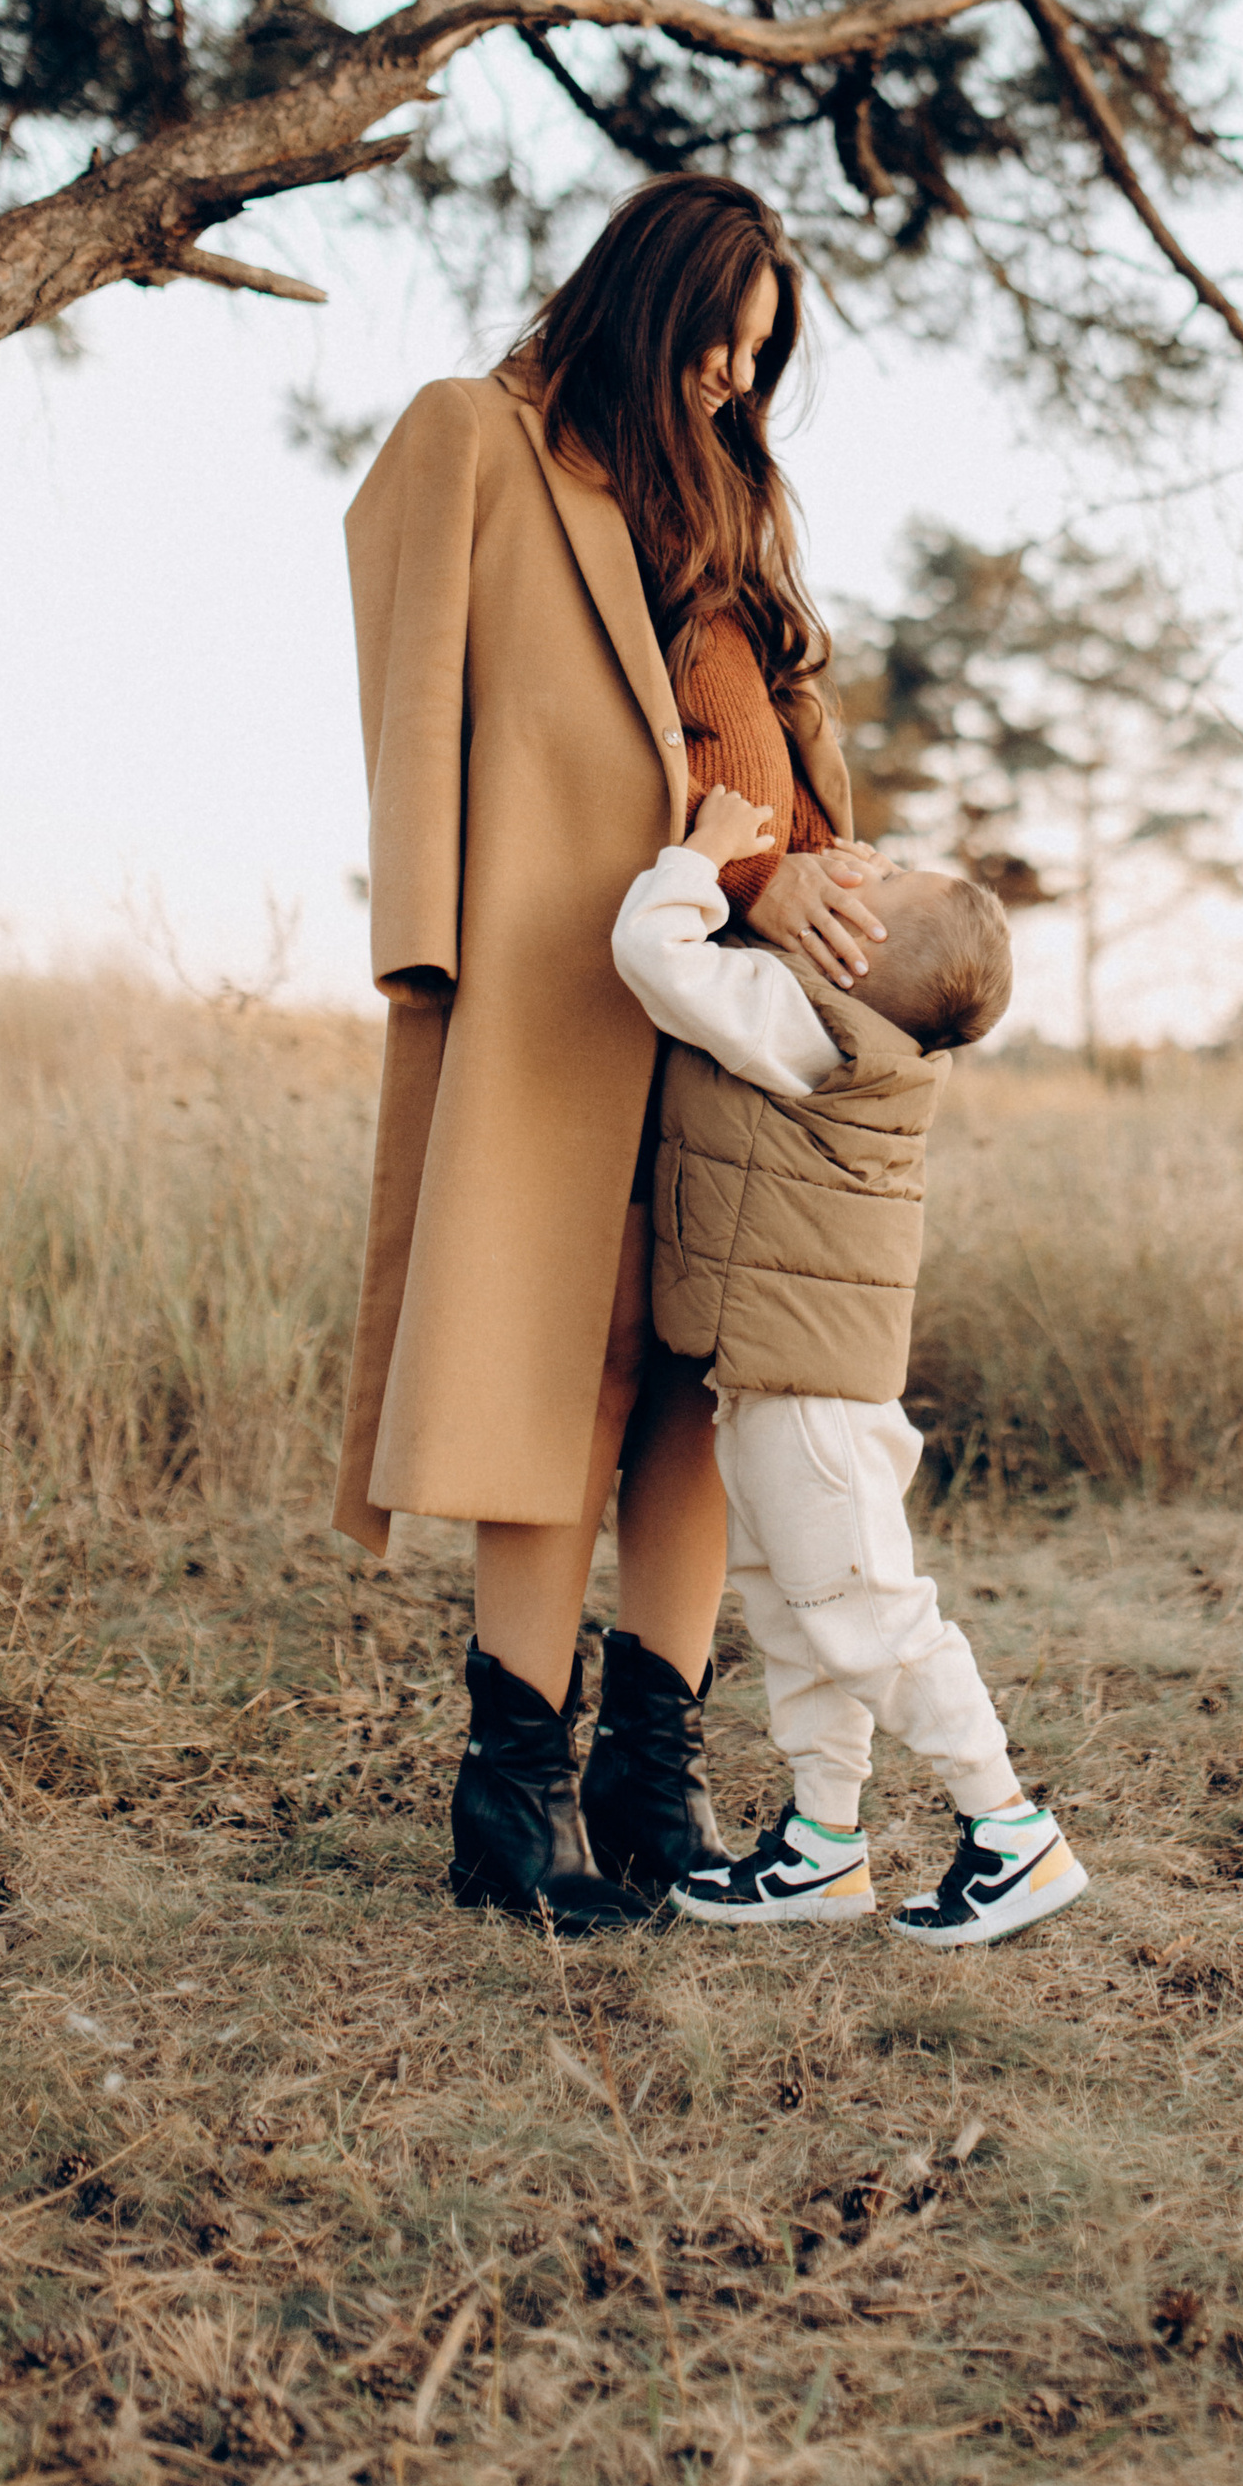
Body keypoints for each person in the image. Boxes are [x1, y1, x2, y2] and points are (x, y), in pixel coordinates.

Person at [330, 176, 889, 1928]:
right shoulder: (472, 436)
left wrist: (806, 883)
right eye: (717, 340)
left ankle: (654, 1788)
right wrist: (430, 950)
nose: (732, 380)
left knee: (698, 1381)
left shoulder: (725, 498)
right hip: (558, 983)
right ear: (645, 303)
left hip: (734, 990)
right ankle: (511, 1803)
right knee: (554, 1377)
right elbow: (413, 685)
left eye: (759, 357)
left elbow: (773, 733)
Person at [606, 783, 1091, 1948]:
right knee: (794, 1614)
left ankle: (1009, 1830)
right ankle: (821, 1848)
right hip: (780, 1383)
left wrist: (707, 854)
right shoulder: (865, 1028)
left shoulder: (804, 1021)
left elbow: (651, 953)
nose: (858, 870)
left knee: (869, 1620)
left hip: (810, 1404)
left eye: (880, 884)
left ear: (854, 958)